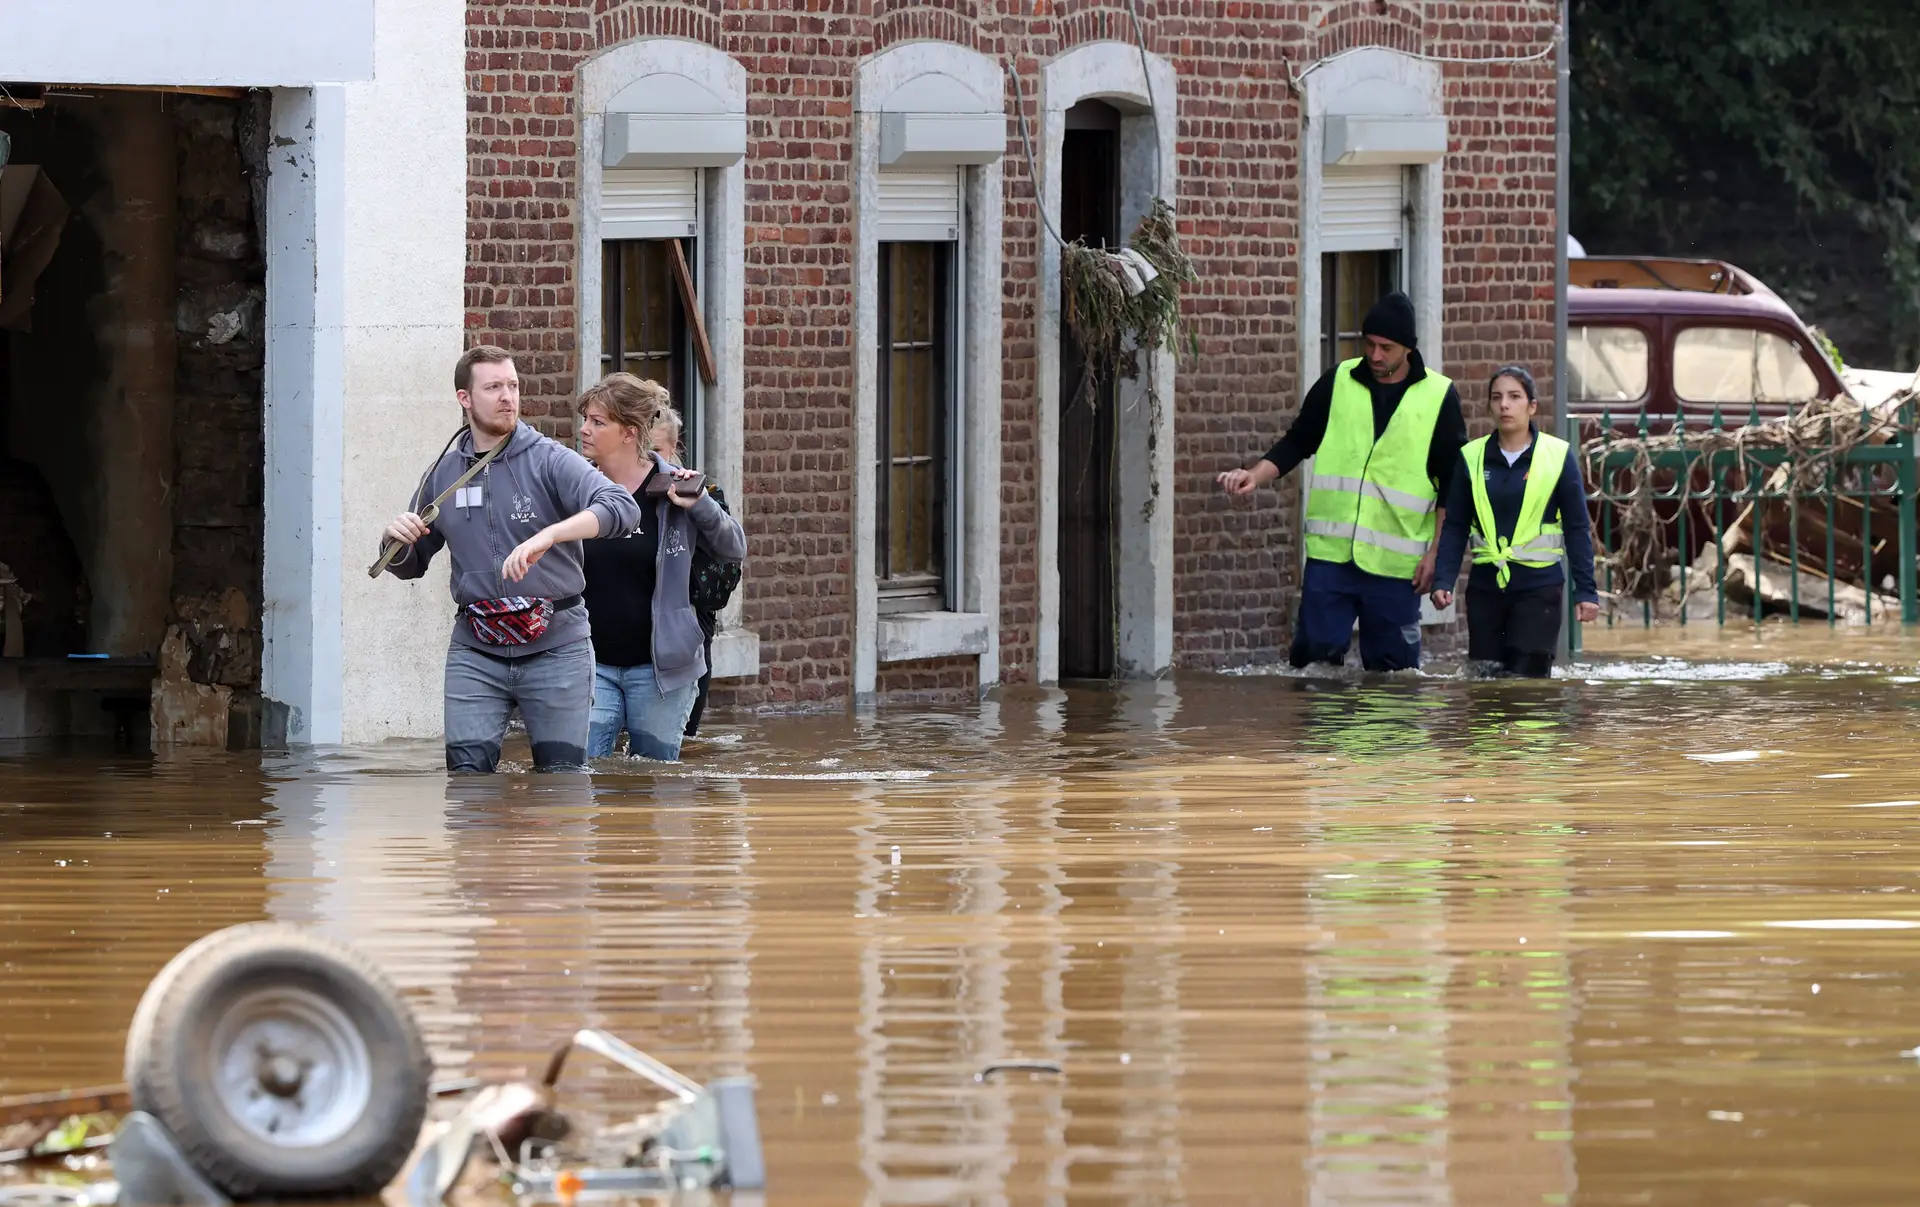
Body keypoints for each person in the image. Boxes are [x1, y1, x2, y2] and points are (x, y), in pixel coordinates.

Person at [380, 345, 640, 773]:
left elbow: (621, 508)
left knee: (562, 785)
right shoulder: (442, 474)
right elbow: (411, 564)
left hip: (557, 646)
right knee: (466, 783)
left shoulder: (550, 459)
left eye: (513, 386)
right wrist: (393, 543)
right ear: (465, 398)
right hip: (476, 648)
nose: (508, 396)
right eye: (494, 387)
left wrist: (551, 535)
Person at [1218, 291, 1468, 670]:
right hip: (1331, 559)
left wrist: (1436, 554)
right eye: (1369, 344)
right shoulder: (1338, 381)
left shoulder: (1438, 397)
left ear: (1408, 349)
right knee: (1313, 665)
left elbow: (1452, 484)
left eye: (1386, 347)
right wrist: (1255, 475)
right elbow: (1299, 440)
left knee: (1392, 676)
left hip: (1395, 566)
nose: (1375, 355)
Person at [577, 374, 746, 761]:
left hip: (660, 670)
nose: (584, 430)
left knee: (655, 785)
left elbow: (734, 548)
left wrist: (700, 504)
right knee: (580, 777)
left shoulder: (674, 487)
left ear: (628, 433)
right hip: (590, 664)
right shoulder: (576, 487)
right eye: (585, 419)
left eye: (597, 421)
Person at [1430, 366, 1601, 678]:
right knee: (1485, 680)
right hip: (1485, 589)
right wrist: (1443, 579)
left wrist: (1586, 591)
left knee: (1528, 684)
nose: (1504, 405)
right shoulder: (1471, 457)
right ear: (1490, 406)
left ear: (1532, 406)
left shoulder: (1557, 456)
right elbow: (1455, 525)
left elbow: (1577, 528)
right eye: (1497, 398)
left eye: (1514, 397)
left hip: (1539, 590)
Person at [648, 408, 742, 740]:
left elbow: (732, 551)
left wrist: (699, 506)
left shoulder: (702, 494)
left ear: (674, 448)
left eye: (656, 451)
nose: (649, 460)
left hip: (689, 627)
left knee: (681, 743)